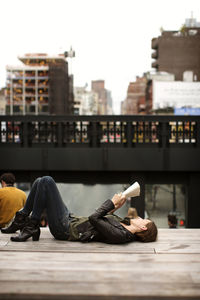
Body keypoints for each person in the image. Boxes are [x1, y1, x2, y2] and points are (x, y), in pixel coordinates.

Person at [1, 176, 158, 243]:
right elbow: (101, 222)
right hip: (71, 219)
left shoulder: (122, 235)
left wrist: (111, 202)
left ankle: (31, 226)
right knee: (39, 181)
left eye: (144, 220)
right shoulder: (123, 226)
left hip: (66, 230)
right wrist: (115, 207)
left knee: (47, 181)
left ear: (143, 227)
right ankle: (22, 220)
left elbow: (94, 219)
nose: (140, 218)